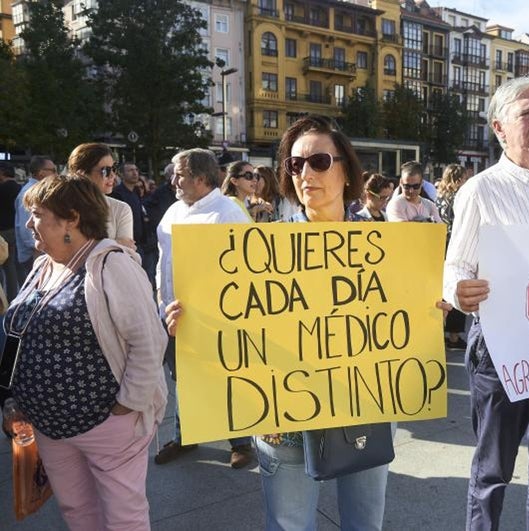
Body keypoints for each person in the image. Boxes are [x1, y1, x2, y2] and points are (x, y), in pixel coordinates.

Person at [165, 115, 437, 530]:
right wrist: (192, 324)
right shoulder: (262, 247)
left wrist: (440, 303)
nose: (306, 173)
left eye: (319, 162)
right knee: (289, 524)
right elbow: (237, 328)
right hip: (284, 420)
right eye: (295, 165)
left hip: (365, 408)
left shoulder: (386, 244)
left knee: (365, 522)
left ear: (346, 169)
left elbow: (406, 320)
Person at [444, 77, 529, 530]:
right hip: (502, 347)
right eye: (528, 113)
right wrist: (458, 292)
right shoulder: (479, 190)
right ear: (500, 128)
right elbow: (456, 266)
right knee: (493, 472)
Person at [3, 175, 167, 530]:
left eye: (37, 214)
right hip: (50, 427)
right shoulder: (45, 264)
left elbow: (149, 341)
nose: (29, 223)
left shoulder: (112, 263)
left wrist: (126, 406)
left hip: (106, 425)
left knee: (124, 518)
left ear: (71, 218)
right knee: (77, 511)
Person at [153, 148, 254, 469]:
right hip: (173, 315)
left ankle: (240, 441)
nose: (173, 180)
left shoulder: (228, 213)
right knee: (183, 378)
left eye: (179, 174)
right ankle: (186, 435)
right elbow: (162, 261)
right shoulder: (172, 212)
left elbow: (245, 267)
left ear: (200, 177)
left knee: (225, 377)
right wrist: (160, 302)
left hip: (217, 319)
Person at [67, 143, 135, 250]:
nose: (113, 175)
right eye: (106, 171)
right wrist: (116, 244)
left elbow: (127, 254)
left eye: (114, 169)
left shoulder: (120, 209)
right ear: (82, 174)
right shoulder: (60, 205)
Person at [436, 163, 469, 349]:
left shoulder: (439, 197)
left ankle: (442, 330)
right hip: (455, 246)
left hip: (440, 245)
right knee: (457, 286)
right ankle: (455, 336)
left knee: (442, 289)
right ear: (459, 179)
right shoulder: (460, 197)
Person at [15, 156, 58, 280]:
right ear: (41, 173)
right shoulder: (29, 192)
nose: (56, 174)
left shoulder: (38, 190)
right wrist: (37, 249)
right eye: (53, 170)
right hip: (34, 254)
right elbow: (25, 227)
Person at [0, 161, 21, 300]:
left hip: (3, 231)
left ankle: (4, 298)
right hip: (15, 229)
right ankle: (13, 296)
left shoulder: (2, 189)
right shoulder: (20, 188)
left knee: (5, 266)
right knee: (12, 265)